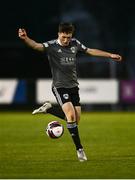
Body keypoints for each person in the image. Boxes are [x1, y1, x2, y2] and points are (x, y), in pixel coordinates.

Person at [18, 22, 122, 162]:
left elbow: (90, 50)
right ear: (59, 34)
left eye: (69, 37)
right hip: (59, 86)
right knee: (71, 116)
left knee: (75, 120)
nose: (66, 40)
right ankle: (80, 150)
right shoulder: (51, 46)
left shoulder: (75, 43)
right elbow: (36, 45)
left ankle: (49, 109)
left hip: (73, 86)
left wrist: (109, 55)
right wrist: (25, 39)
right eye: (64, 37)